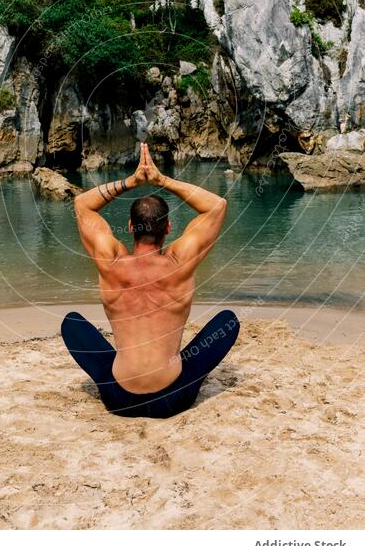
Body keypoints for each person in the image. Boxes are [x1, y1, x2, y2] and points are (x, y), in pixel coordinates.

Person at [61, 143, 240, 418]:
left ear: (131, 227)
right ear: (168, 227)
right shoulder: (178, 264)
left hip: (119, 398)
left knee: (71, 322)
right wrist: (161, 180)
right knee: (228, 321)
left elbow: (82, 204)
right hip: (172, 399)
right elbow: (216, 206)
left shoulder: (111, 263)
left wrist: (131, 181)